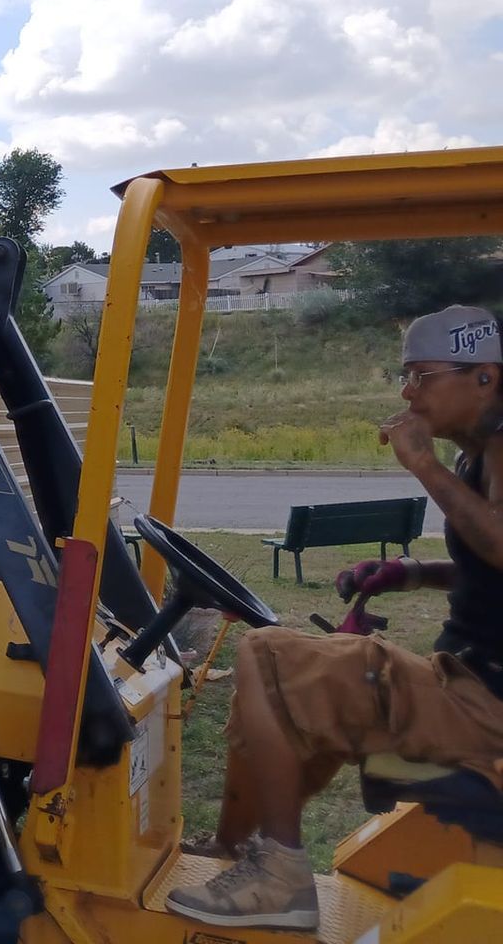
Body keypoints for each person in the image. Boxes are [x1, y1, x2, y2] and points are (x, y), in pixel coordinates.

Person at [168, 304, 503, 931]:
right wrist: (413, 572)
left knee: (266, 654)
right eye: (404, 376)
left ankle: (280, 881)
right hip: (471, 678)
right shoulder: (478, 453)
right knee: (288, 690)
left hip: (485, 700)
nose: (408, 392)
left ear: (484, 376)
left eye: (423, 375)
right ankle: (238, 848)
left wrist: (422, 465)